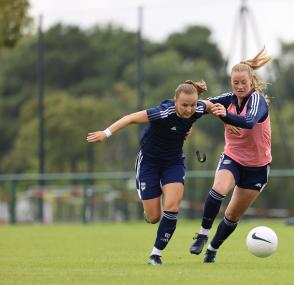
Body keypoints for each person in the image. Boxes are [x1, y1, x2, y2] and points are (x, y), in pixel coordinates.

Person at [86, 80, 212, 266]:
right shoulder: (162, 112)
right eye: (184, 105)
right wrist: (106, 133)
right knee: (154, 217)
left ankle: (155, 255)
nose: (189, 109)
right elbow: (130, 118)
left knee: (172, 207)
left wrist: (229, 123)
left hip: (174, 163)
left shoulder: (199, 108)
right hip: (149, 163)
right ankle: (151, 211)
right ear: (175, 101)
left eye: (192, 105)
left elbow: (213, 105)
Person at [189, 48, 272, 263]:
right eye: (235, 82)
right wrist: (188, 120)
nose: (239, 86)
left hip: (257, 168)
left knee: (232, 215)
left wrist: (226, 116)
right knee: (218, 189)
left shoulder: (258, 101)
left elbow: (250, 121)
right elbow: (204, 106)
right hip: (233, 158)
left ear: (251, 82)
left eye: (243, 82)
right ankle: (202, 235)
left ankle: (212, 249)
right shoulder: (229, 99)